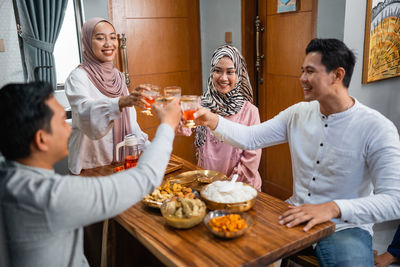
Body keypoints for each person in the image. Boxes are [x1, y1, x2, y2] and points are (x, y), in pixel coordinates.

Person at [193, 38, 400, 266]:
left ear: (337, 75)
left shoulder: (378, 128)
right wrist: (211, 119)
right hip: (294, 212)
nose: (302, 78)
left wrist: (333, 208)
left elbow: (395, 199)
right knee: (234, 247)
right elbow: (250, 138)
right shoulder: (298, 113)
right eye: (302, 71)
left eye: (310, 72)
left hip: (346, 226)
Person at [0, 81, 181, 267]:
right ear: (41, 139)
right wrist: (168, 125)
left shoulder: (9, 177)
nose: (69, 128)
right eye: (63, 121)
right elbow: (145, 178)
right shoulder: (49, 197)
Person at [65, 17, 150, 174]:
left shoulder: (118, 77)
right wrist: (119, 102)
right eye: (100, 38)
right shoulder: (78, 77)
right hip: (92, 165)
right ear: (87, 42)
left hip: (122, 163)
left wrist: (150, 148)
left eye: (112, 37)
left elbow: (130, 122)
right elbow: (85, 112)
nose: (108, 44)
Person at [179, 45, 262, 190]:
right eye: (218, 71)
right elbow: (184, 129)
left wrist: (225, 187)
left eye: (230, 72)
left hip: (241, 188)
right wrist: (175, 118)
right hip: (207, 184)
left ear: (239, 75)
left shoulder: (250, 112)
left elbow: (251, 160)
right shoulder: (200, 104)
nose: (223, 78)